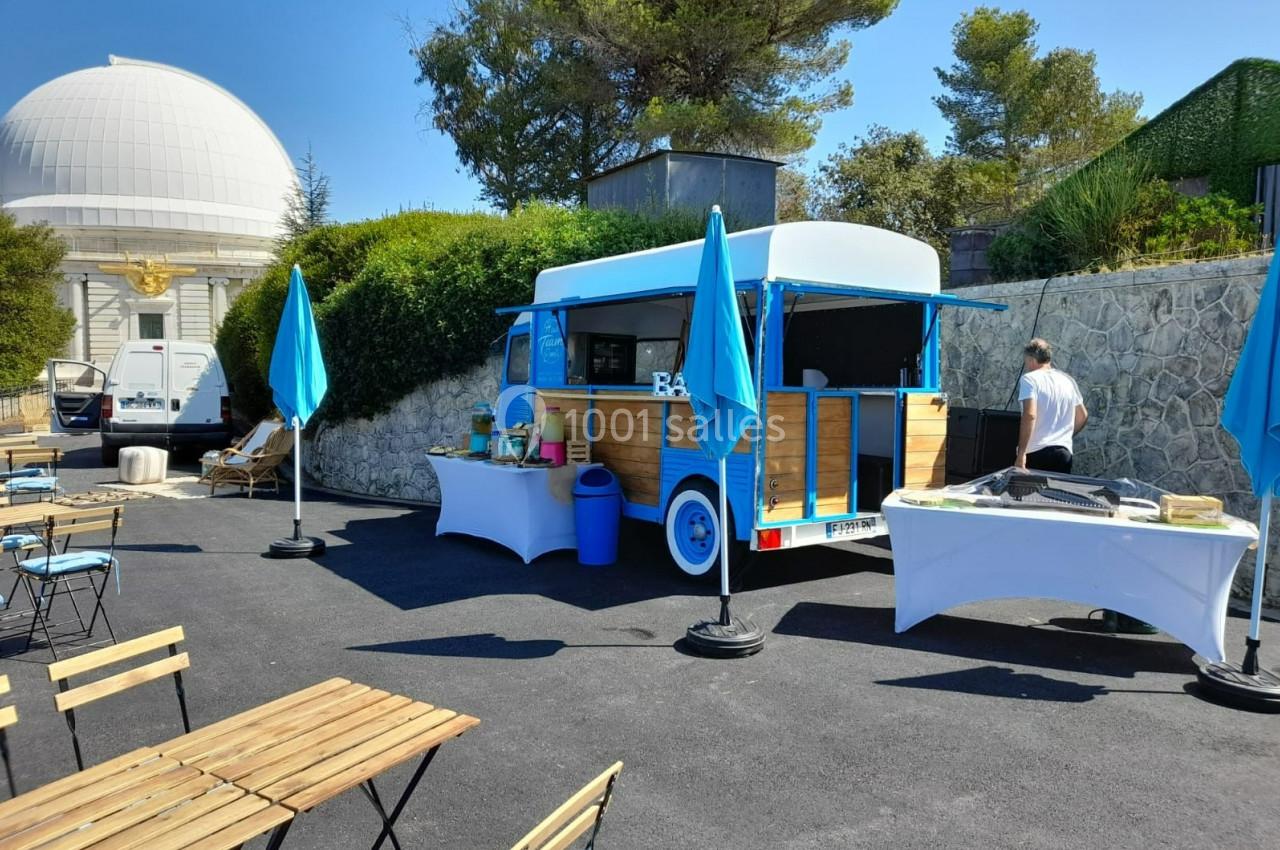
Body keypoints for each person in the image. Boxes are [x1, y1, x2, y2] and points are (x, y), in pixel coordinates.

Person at [1014, 338, 1087, 473]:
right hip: (1063, 452)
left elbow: (1030, 415)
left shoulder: (1029, 379)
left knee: (1031, 494)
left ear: (1031, 359)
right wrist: (1063, 435)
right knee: (1057, 494)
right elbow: (1082, 416)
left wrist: (1021, 453)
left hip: (1037, 451)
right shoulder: (1067, 380)